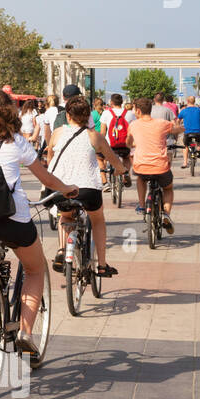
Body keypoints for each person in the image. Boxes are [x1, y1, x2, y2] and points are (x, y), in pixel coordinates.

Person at [0, 89, 78, 356]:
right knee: (34, 268)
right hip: (15, 221)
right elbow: (47, 179)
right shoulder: (16, 142)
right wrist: (67, 189)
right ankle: (25, 331)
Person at [48, 96, 125, 278]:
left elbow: (50, 158)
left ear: (68, 116)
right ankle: (102, 265)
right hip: (88, 190)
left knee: (65, 216)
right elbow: (114, 160)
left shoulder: (57, 133)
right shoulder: (94, 136)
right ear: (88, 116)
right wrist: (120, 170)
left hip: (61, 188)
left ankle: (61, 250)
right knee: (97, 220)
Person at [127, 97, 183, 228]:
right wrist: (181, 129)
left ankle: (141, 206)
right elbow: (177, 129)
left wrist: (133, 143)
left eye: (135, 110)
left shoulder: (133, 125)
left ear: (139, 111)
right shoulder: (162, 123)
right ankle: (166, 215)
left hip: (141, 166)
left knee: (140, 179)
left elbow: (128, 142)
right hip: (160, 167)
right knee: (168, 188)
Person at [99, 93, 133, 190]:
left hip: (110, 145)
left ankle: (112, 174)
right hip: (125, 144)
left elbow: (102, 132)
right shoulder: (129, 113)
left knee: (107, 158)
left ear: (111, 102)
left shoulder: (106, 113)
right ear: (122, 102)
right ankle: (125, 173)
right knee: (126, 158)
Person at [178, 95, 200, 167]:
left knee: (185, 145)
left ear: (187, 102)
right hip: (198, 132)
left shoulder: (183, 111)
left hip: (187, 133)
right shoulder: (199, 110)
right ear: (194, 101)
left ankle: (185, 163)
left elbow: (178, 121)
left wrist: (178, 127)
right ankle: (198, 149)